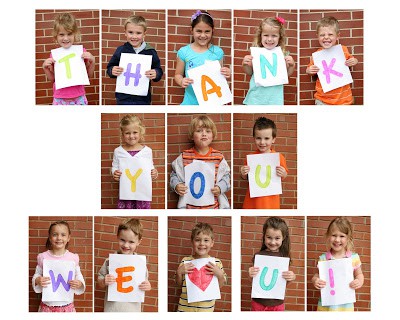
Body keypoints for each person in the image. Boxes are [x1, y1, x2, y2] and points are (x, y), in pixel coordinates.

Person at [170, 115, 230, 209]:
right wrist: (177, 185)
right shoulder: (184, 156)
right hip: (189, 207)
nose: (204, 134)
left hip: (213, 207)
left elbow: (226, 176)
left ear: (213, 135)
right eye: (199, 131)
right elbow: (174, 174)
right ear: (192, 136)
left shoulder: (218, 157)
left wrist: (220, 187)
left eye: (208, 131)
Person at [174, 10, 231, 105]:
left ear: (213, 30)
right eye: (199, 31)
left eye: (207, 31)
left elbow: (220, 77)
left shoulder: (218, 52)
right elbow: (177, 74)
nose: (203, 35)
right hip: (190, 101)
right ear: (191, 30)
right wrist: (181, 81)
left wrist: (226, 73)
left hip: (213, 101)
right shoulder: (184, 52)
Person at [97, 218, 151, 312]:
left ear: (138, 242)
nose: (126, 245)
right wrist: (104, 281)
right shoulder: (110, 261)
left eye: (131, 242)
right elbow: (100, 281)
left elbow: (144, 282)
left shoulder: (140, 263)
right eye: (123, 240)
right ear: (117, 237)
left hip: (132, 310)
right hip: (112, 310)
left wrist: (147, 286)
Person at [107, 15, 163, 105]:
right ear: (125, 32)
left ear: (144, 34)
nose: (134, 36)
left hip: (142, 98)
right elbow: (110, 68)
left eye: (138, 33)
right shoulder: (121, 50)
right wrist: (112, 70)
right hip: (123, 97)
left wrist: (156, 73)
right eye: (130, 32)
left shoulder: (150, 51)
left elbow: (158, 70)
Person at [311, 217, 364, 311]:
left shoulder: (353, 258)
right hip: (326, 305)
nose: (337, 240)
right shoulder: (323, 258)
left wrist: (359, 281)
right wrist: (315, 280)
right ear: (328, 236)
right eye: (334, 235)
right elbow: (316, 275)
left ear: (348, 238)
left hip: (346, 305)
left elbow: (359, 274)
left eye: (342, 236)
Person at [31, 221, 85, 312]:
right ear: (50, 237)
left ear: (68, 238)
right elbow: (37, 274)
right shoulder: (43, 257)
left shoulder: (73, 258)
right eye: (55, 234)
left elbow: (79, 275)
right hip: (47, 307)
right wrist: (37, 280)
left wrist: (79, 283)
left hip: (67, 307)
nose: (59, 238)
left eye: (63, 235)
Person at [42, 13, 95, 105]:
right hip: (60, 98)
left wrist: (92, 61)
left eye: (69, 34)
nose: (65, 38)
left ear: (75, 34)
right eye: (61, 34)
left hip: (78, 97)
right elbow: (53, 79)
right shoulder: (54, 55)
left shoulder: (81, 52)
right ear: (56, 36)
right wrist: (45, 68)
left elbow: (88, 75)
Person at [175, 222, 227, 312]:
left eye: (206, 240)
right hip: (185, 309)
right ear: (192, 242)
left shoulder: (216, 263)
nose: (202, 243)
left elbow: (220, 286)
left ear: (212, 243)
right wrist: (179, 272)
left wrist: (220, 275)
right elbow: (179, 284)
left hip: (206, 310)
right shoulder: (186, 261)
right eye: (198, 240)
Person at [305, 16, 358, 105]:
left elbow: (353, 60)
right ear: (317, 36)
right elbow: (309, 70)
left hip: (343, 99)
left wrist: (354, 61)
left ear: (337, 36)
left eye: (330, 34)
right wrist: (309, 70)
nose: (326, 37)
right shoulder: (317, 55)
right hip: (323, 100)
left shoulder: (343, 50)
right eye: (322, 35)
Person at [242, 16, 295, 105]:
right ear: (260, 36)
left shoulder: (282, 54)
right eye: (266, 35)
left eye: (274, 36)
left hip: (274, 98)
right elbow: (250, 73)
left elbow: (287, 74)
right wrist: (245, 64)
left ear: (279, 38)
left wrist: (292, 65)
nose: (269, 39)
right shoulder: (256, 53)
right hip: (256, 97)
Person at [249, 217, 296, 311]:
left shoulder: (284, 258)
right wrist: (251, 274)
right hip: (258, 302)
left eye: (277, 238)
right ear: (264, 236)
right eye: (269, 237)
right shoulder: (259, 256)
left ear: (283, 238)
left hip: (277, 304)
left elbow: (283, 282)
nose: (273, 242)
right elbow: (255, 282)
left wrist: (292, 277)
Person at [111, 115, 158, 209]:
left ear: (141, 132)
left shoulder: (147, 151)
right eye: (127, 133)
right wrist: (114, 173)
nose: (131, 136)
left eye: (135, 132)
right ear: (122, 134)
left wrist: (154, 173)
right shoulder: (118, 151)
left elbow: (150, 167)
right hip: (126, 193)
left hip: (142, 195)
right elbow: (114, 166)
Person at [240, 117, 288, 209]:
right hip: (253, 202)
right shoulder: (250, 158)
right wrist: (243, 174)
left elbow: (283, 176)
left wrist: (284, 173)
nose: (262, 142)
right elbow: (246, 178)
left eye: (266, 138)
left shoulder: (279, 157)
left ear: (273, 139)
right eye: (258, 138)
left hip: (271, 202)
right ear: (254, 138)